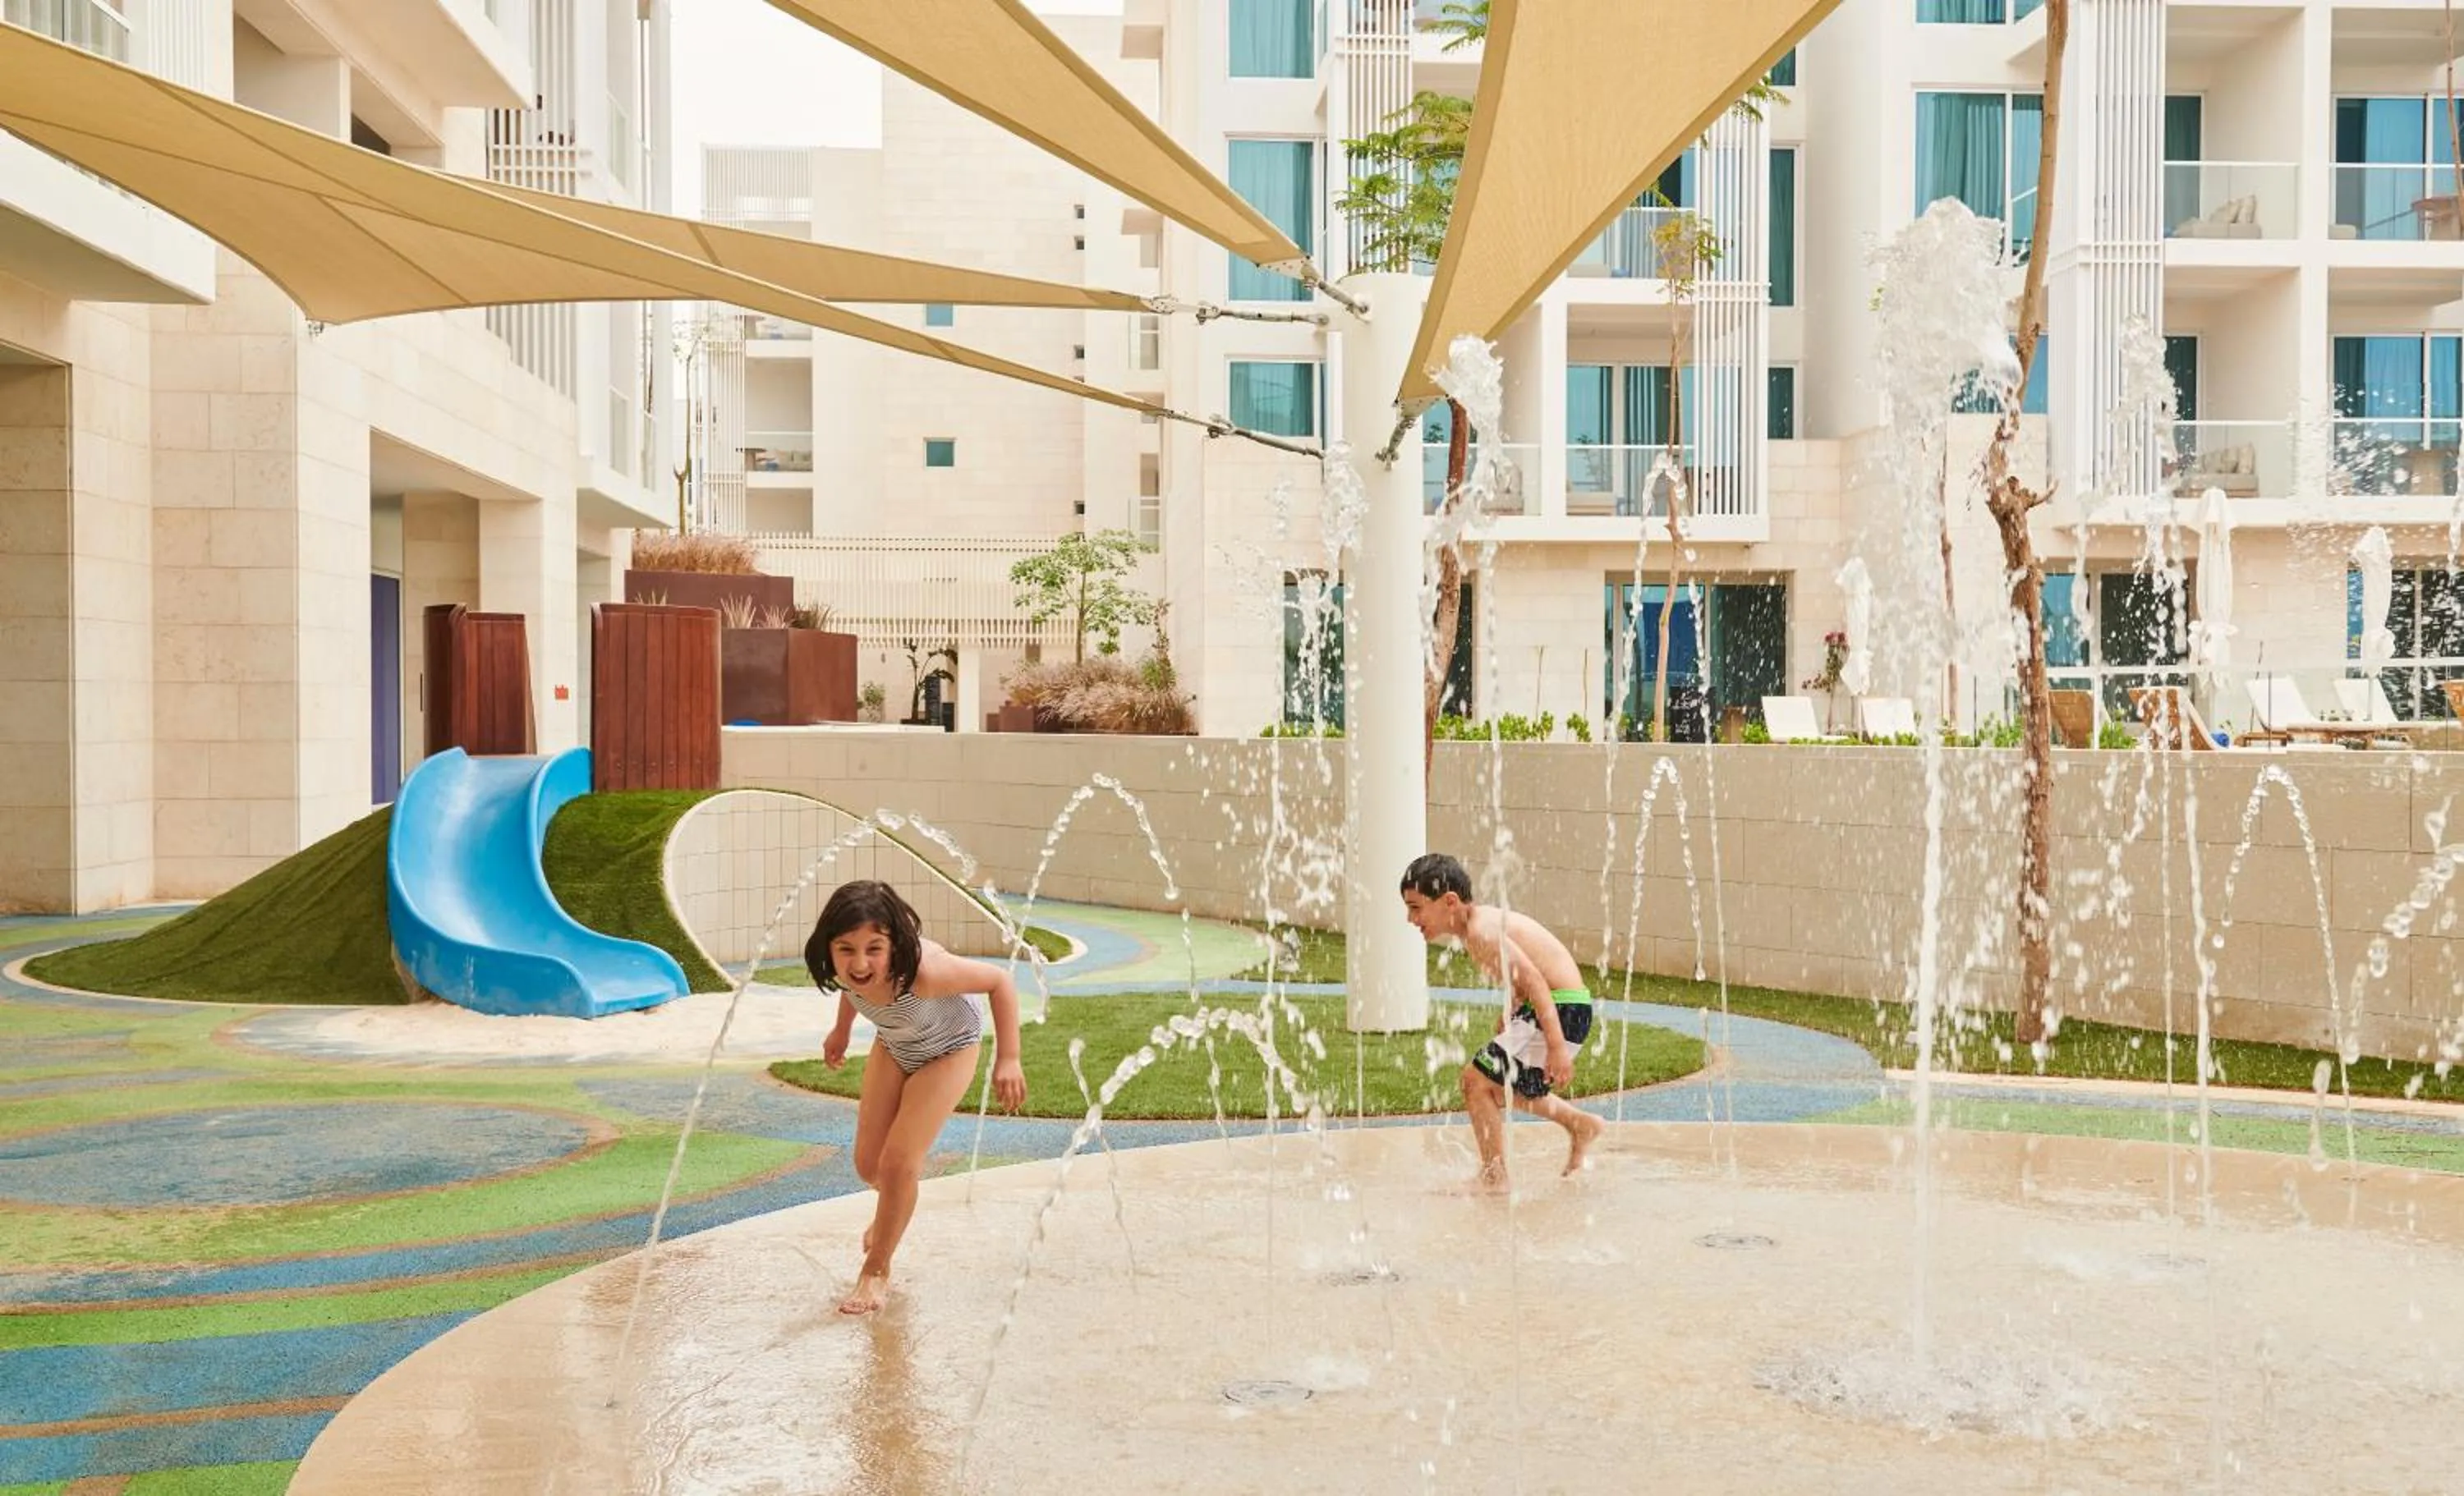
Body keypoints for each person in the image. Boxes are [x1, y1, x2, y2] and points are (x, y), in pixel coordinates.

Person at [807, 879, 1027, 1315]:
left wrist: (1010, 1059)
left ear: (894, 944)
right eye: (846, 949)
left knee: (899, 1162)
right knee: (869, 1166)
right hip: (896, 1045)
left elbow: (998, 982)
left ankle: (876, 1272)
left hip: (950, 1048)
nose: (860, 962)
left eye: (874, 948)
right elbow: (855, 989)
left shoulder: (926, 973)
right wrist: (842, 1030)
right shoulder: (848, 969)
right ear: (829, 947)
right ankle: (893, 1209)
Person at [1398, 852, 1604, 1186]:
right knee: (1496, 1086)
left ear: (1449, 901)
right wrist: (1510, 1009)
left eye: (1416, 907)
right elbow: (1521, 975)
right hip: (1558, 1006)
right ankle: (1579, 1124)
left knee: (1476, 1082)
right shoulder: (1475, 927)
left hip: (1562, 1008)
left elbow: (1537, 981)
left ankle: (1495, 1178)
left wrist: (1556, 1047)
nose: (1410, 918)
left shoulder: (1481, 931)